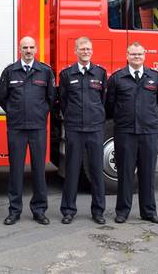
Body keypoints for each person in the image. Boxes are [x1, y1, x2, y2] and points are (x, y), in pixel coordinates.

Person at [0, 36, 56, 225]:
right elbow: (2, 98)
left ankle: (39, 210)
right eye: (25, 47)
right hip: (16, 128)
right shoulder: (10, 71)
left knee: (39, 170)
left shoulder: (45, 71)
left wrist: (40, 114)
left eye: (31, 47)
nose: (28, 50)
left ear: (36, 49)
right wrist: (14, 113)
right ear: (19, 50)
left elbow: (50, 99)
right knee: (16, 170)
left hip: (38, 128)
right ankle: (14, 211)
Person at [106, 42, 158, 224]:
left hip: (148, 132)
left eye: (139, 54)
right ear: (127, 56)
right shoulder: (117, 78)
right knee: (125, 173)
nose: (136, 57)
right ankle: (122, 211)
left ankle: (149, 212)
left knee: (148, 173)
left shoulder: (154, 78)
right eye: (133, 54)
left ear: (144, 55)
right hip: (125, 132)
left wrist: (145, 117)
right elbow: (110, 104)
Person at [58, 37, 107, 225]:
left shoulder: (100, 73)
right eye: (82, 49)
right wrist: (71, 117)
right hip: (74, 129)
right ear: (75, 51)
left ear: (92, 51)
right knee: (71, 170)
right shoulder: (67, 74)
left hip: (94, 129)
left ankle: (98, 211)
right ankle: (68, 210)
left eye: (88, 49)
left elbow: (104, 100)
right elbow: (63, 101)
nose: (85, 51)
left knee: (96, 170)